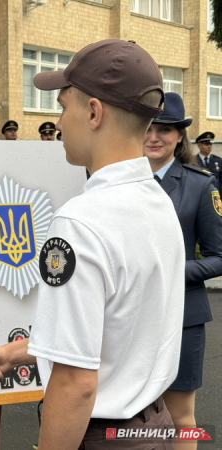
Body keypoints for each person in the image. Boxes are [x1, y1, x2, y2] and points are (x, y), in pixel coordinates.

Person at [0, 39, 185, 449]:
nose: (58, 122)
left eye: (63, 106)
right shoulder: (157, 201)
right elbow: (110, 335)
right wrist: (9, 354)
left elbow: (76, 381)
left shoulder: (80, 222)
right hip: (154, 425)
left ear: (93, 111)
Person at [143, 93, 222, 450]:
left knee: (180, 417)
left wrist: (173, 272)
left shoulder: (200, 184)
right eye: (147, 128)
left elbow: (219, 256)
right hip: (131, 316)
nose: (154, 136)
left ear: (179, 136)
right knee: (133, 415)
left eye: (165, 129)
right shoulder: (118, 181)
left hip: (183, 317)